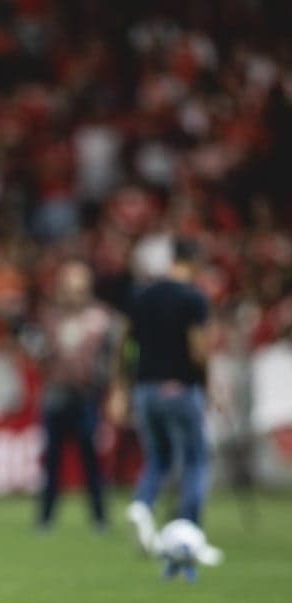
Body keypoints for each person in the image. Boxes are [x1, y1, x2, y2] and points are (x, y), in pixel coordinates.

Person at [110, 237, 212, 554]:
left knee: (158, 457)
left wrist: (120, 387)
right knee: (195, 458)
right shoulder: (193, 298)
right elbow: (198, 351)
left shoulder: (140, 295)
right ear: (194, 262)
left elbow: (124, 343)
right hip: (181, 387)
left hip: (146, 389)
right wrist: (209, 384)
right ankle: (189, 531)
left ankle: (142, 504)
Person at [34, 259, 117, 531]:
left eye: (78, 288)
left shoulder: (101, 318)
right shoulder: (49, 318)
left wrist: (113, 390)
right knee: (52, 460)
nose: (72, 294)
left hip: (87, 396)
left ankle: (99, 517)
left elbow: (113, 358)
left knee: (92, 460)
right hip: (56, 395)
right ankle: (46, 517)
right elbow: (40, 355)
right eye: (68, 287)